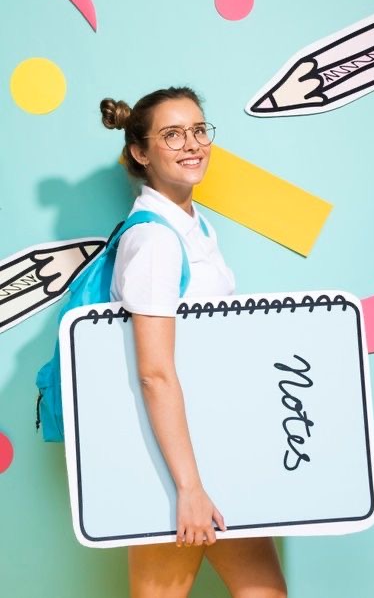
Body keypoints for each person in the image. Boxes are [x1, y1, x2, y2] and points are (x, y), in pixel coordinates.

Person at [100, 87, 287, 598]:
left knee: (264, 591)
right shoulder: (155, 241)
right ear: (140, 152)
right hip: (174, 464)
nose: (193, 144)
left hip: (215, 447)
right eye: (172, 134)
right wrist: (187, 487)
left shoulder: (192, 226)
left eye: (199, 130)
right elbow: (154, 373)